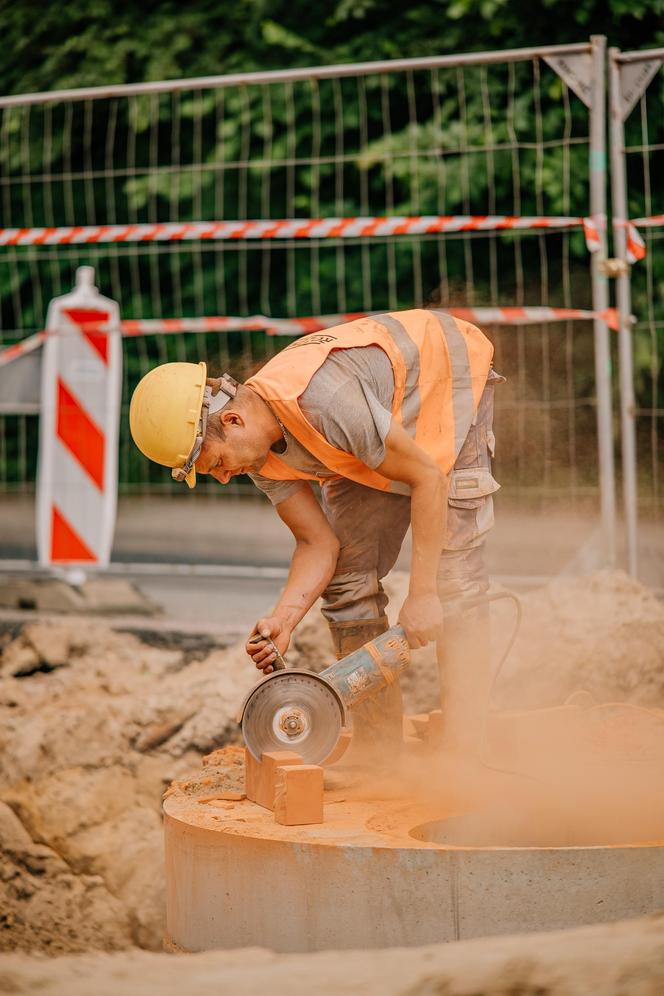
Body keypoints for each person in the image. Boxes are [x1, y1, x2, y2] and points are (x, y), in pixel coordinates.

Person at [129, 309, 503, 755]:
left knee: (454, 584)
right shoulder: (258, 451)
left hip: (448, 377)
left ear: (231, 421)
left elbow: (427, 478)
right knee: (347, 582)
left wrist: (422, 594)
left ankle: (467, 752)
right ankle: (380, 755)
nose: (225, 478)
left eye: (216, 465)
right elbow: (317, 542)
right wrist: (284, 620)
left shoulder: (326, 402)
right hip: (371, 431)